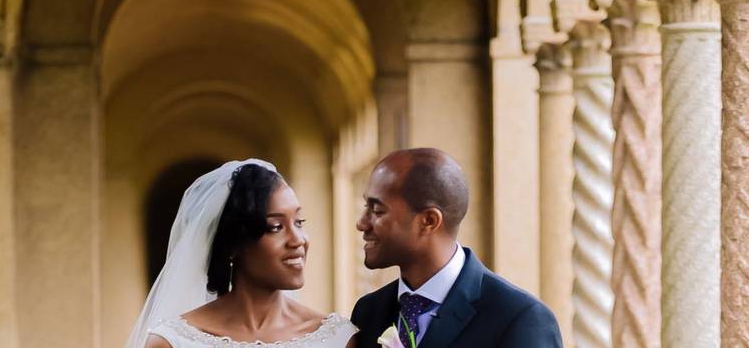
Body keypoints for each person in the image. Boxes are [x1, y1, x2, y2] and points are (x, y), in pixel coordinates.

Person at [125, 159, 357, 348]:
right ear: (232, 244)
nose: (298, 240)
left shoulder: (338, 339)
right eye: (275, 227)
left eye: (299, 222)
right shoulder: (173, 341)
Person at [350, 148, 562, 348]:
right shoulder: (368, 312)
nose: (361, 223)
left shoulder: (520, 318)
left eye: (377, 211)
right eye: (365, 207)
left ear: (429, 221)